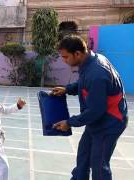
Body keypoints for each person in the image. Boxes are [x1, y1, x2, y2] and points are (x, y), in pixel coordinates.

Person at [52, 35, 128, 180]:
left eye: (66, 57)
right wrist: (67, 89)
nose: (64, 61)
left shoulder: (97, 72)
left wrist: (69, 123)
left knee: (99, 166)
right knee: (83, 157)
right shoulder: (90, 61)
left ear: (78, 54)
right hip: (98, 120)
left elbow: (96, 110)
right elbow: (85, 84)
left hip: (109, 122)